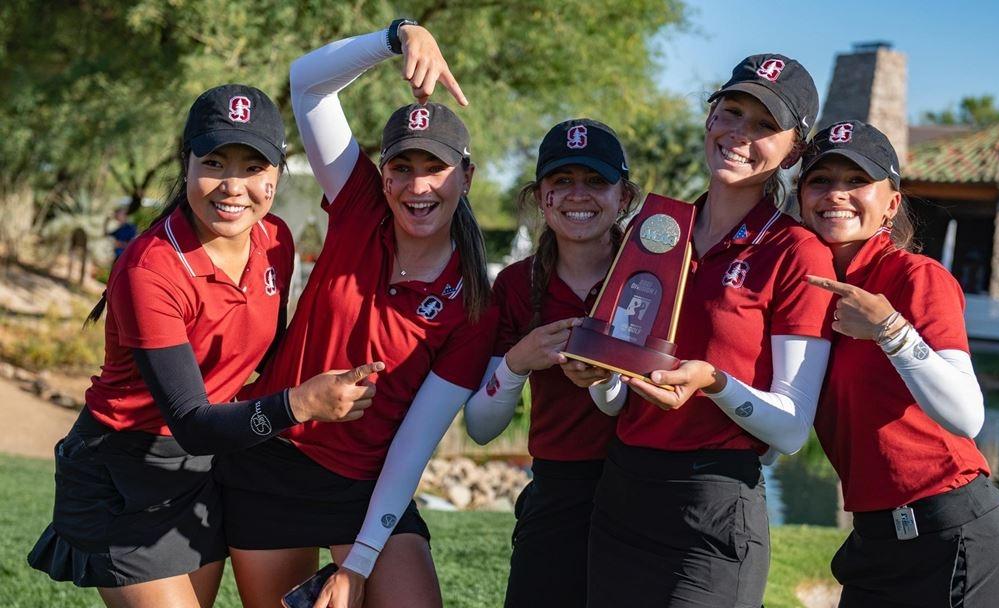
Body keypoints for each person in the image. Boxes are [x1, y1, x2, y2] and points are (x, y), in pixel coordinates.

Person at [27, 84, 381, 608]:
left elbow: (265, 359)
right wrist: (301, 403)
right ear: (187, 164)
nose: (233, 186)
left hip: (204, 466)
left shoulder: (275, 241)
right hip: (124, 469)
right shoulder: (150, 269)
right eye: (214, 162)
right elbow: (191, 422)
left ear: (277, 175)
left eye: (253, 167)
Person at [214, 21, 496, 608]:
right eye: (402, 167)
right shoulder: (361, 205)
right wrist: (400, 35)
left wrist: (359, 562)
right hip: (271, 458)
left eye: (436, 168)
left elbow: (414, 446)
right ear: (383, 174)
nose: (418, 185)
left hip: (369, 488)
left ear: (466, 178)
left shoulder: (473, 303)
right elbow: (308, 84)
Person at [563, 54, 836, 608]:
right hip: (622, 493)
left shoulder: (797, 252)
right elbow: (617, 400)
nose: (740, 134)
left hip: (714, 504)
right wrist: (598, 374)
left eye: (765, 125)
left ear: (794, 152)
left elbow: (790, 430)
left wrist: (714, 382)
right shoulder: (657, 230)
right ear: (710, 119)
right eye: (731, 112)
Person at [799, 120, 999, 608]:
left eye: (857, 180)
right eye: (820, 180)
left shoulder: (916, 277)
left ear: (891, 204)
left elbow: (966, 416)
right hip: (875, 544)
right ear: (801, 198)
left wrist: (891, 330)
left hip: (955, 539)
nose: (836, 193)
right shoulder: (800, 292)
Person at [464, 118, 639, 607]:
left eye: (596, 181)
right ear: (542, 197)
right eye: (562, 181)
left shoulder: (654, 274)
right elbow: (480, 427)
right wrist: (517, 363)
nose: (578, 194)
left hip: (646, 485)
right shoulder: (516, 284)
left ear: (624, 196)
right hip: (558, 489)